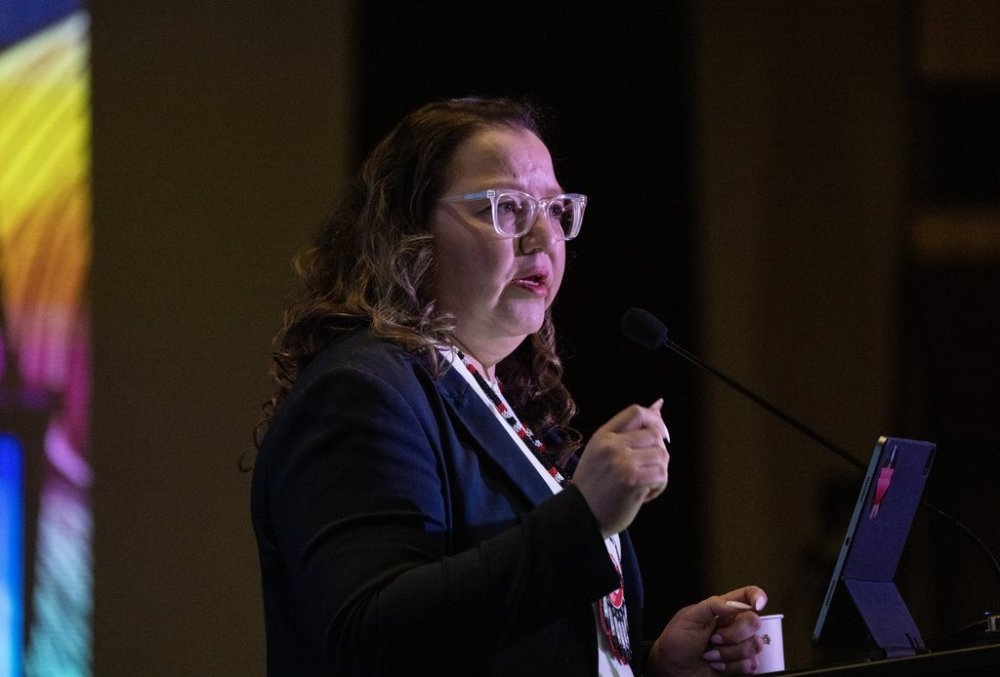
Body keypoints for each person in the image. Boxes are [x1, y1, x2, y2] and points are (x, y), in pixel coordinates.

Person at [250, 96, 768, 676]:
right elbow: (368, 635)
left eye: (555, 210)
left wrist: (652, 665)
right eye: (508, 208)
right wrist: (583, 518)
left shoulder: (500, 402)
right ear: (409, 231)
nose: (543, 237)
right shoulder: (362, 392)